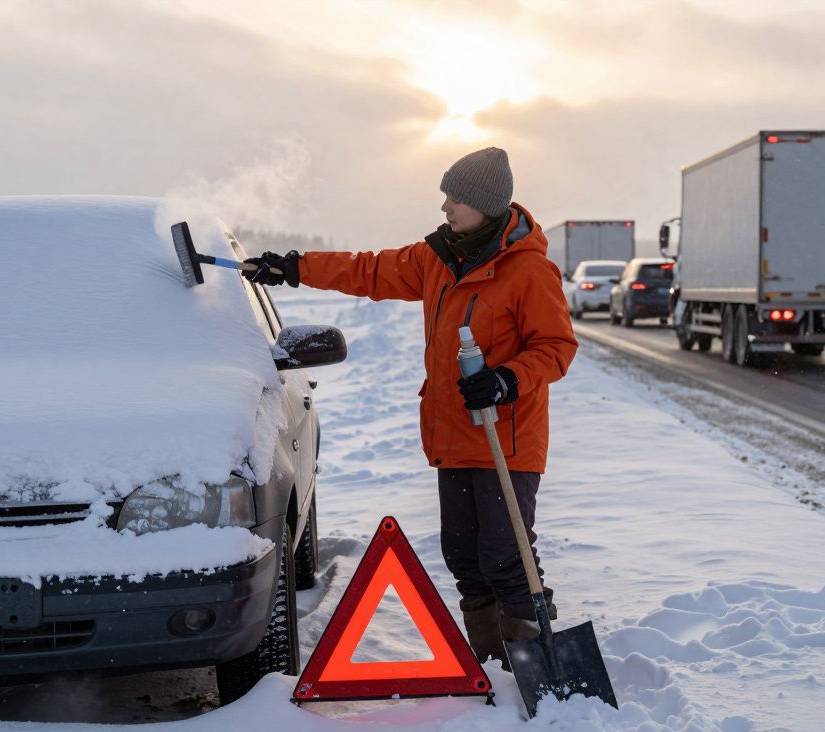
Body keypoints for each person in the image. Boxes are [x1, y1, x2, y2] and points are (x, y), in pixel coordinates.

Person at [244, 147, 577, 667]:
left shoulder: (529, 271)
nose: (444, 206)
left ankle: (538, 666)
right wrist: (295, 267)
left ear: (485, 205)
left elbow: (557, 347)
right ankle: (495, 664)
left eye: (455, 198)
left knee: (507, 557)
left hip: (505, 438)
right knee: (464, 558)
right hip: (453, 438)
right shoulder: (438, 259)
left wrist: (507, 380)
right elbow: (369, 271)